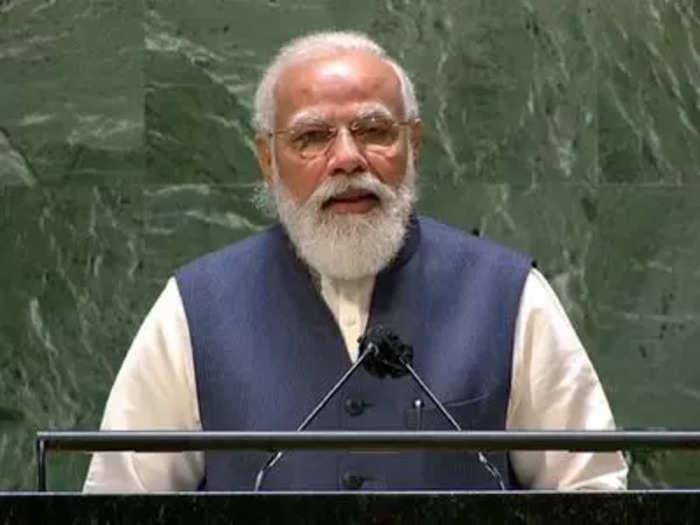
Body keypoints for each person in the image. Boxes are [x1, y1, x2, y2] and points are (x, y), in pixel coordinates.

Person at [83, 31, 627, 492]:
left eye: (373, 131)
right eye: (312, 138)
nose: (347, 158)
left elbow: (590, 489)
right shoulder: (194, 310)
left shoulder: (510, 297)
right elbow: (120, 499)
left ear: (413, 144)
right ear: (268, 161)